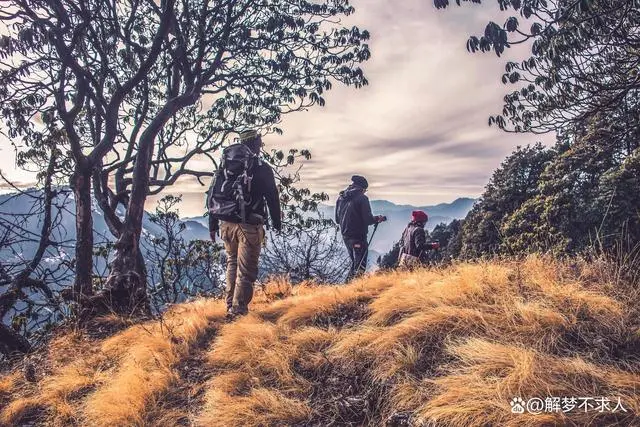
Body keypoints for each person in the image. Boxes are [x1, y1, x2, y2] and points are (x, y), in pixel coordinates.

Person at [208, 129, 281, 319]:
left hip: (225, 223)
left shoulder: (226, 165)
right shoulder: (261, 167)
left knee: (232, 263)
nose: (261, 146)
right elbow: (272, 197)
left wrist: (212, 224)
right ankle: (238, 311)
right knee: (246, 271)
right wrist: (277, 222)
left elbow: (214, 193)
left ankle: (230, 305)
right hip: (249, 225)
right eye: (260, 142)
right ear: (255, 143)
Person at [335, 175, 386, 280]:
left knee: (354, 263)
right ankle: (356, 289)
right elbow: (367, 219)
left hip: (346, 236)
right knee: (360, 265)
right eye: (365, 190)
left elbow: (337, 219)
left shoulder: (341, 198)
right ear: (362, 188)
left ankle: (347, 288)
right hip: (358, 236)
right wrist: (377, 219)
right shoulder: (362, 198)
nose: (365, 192)